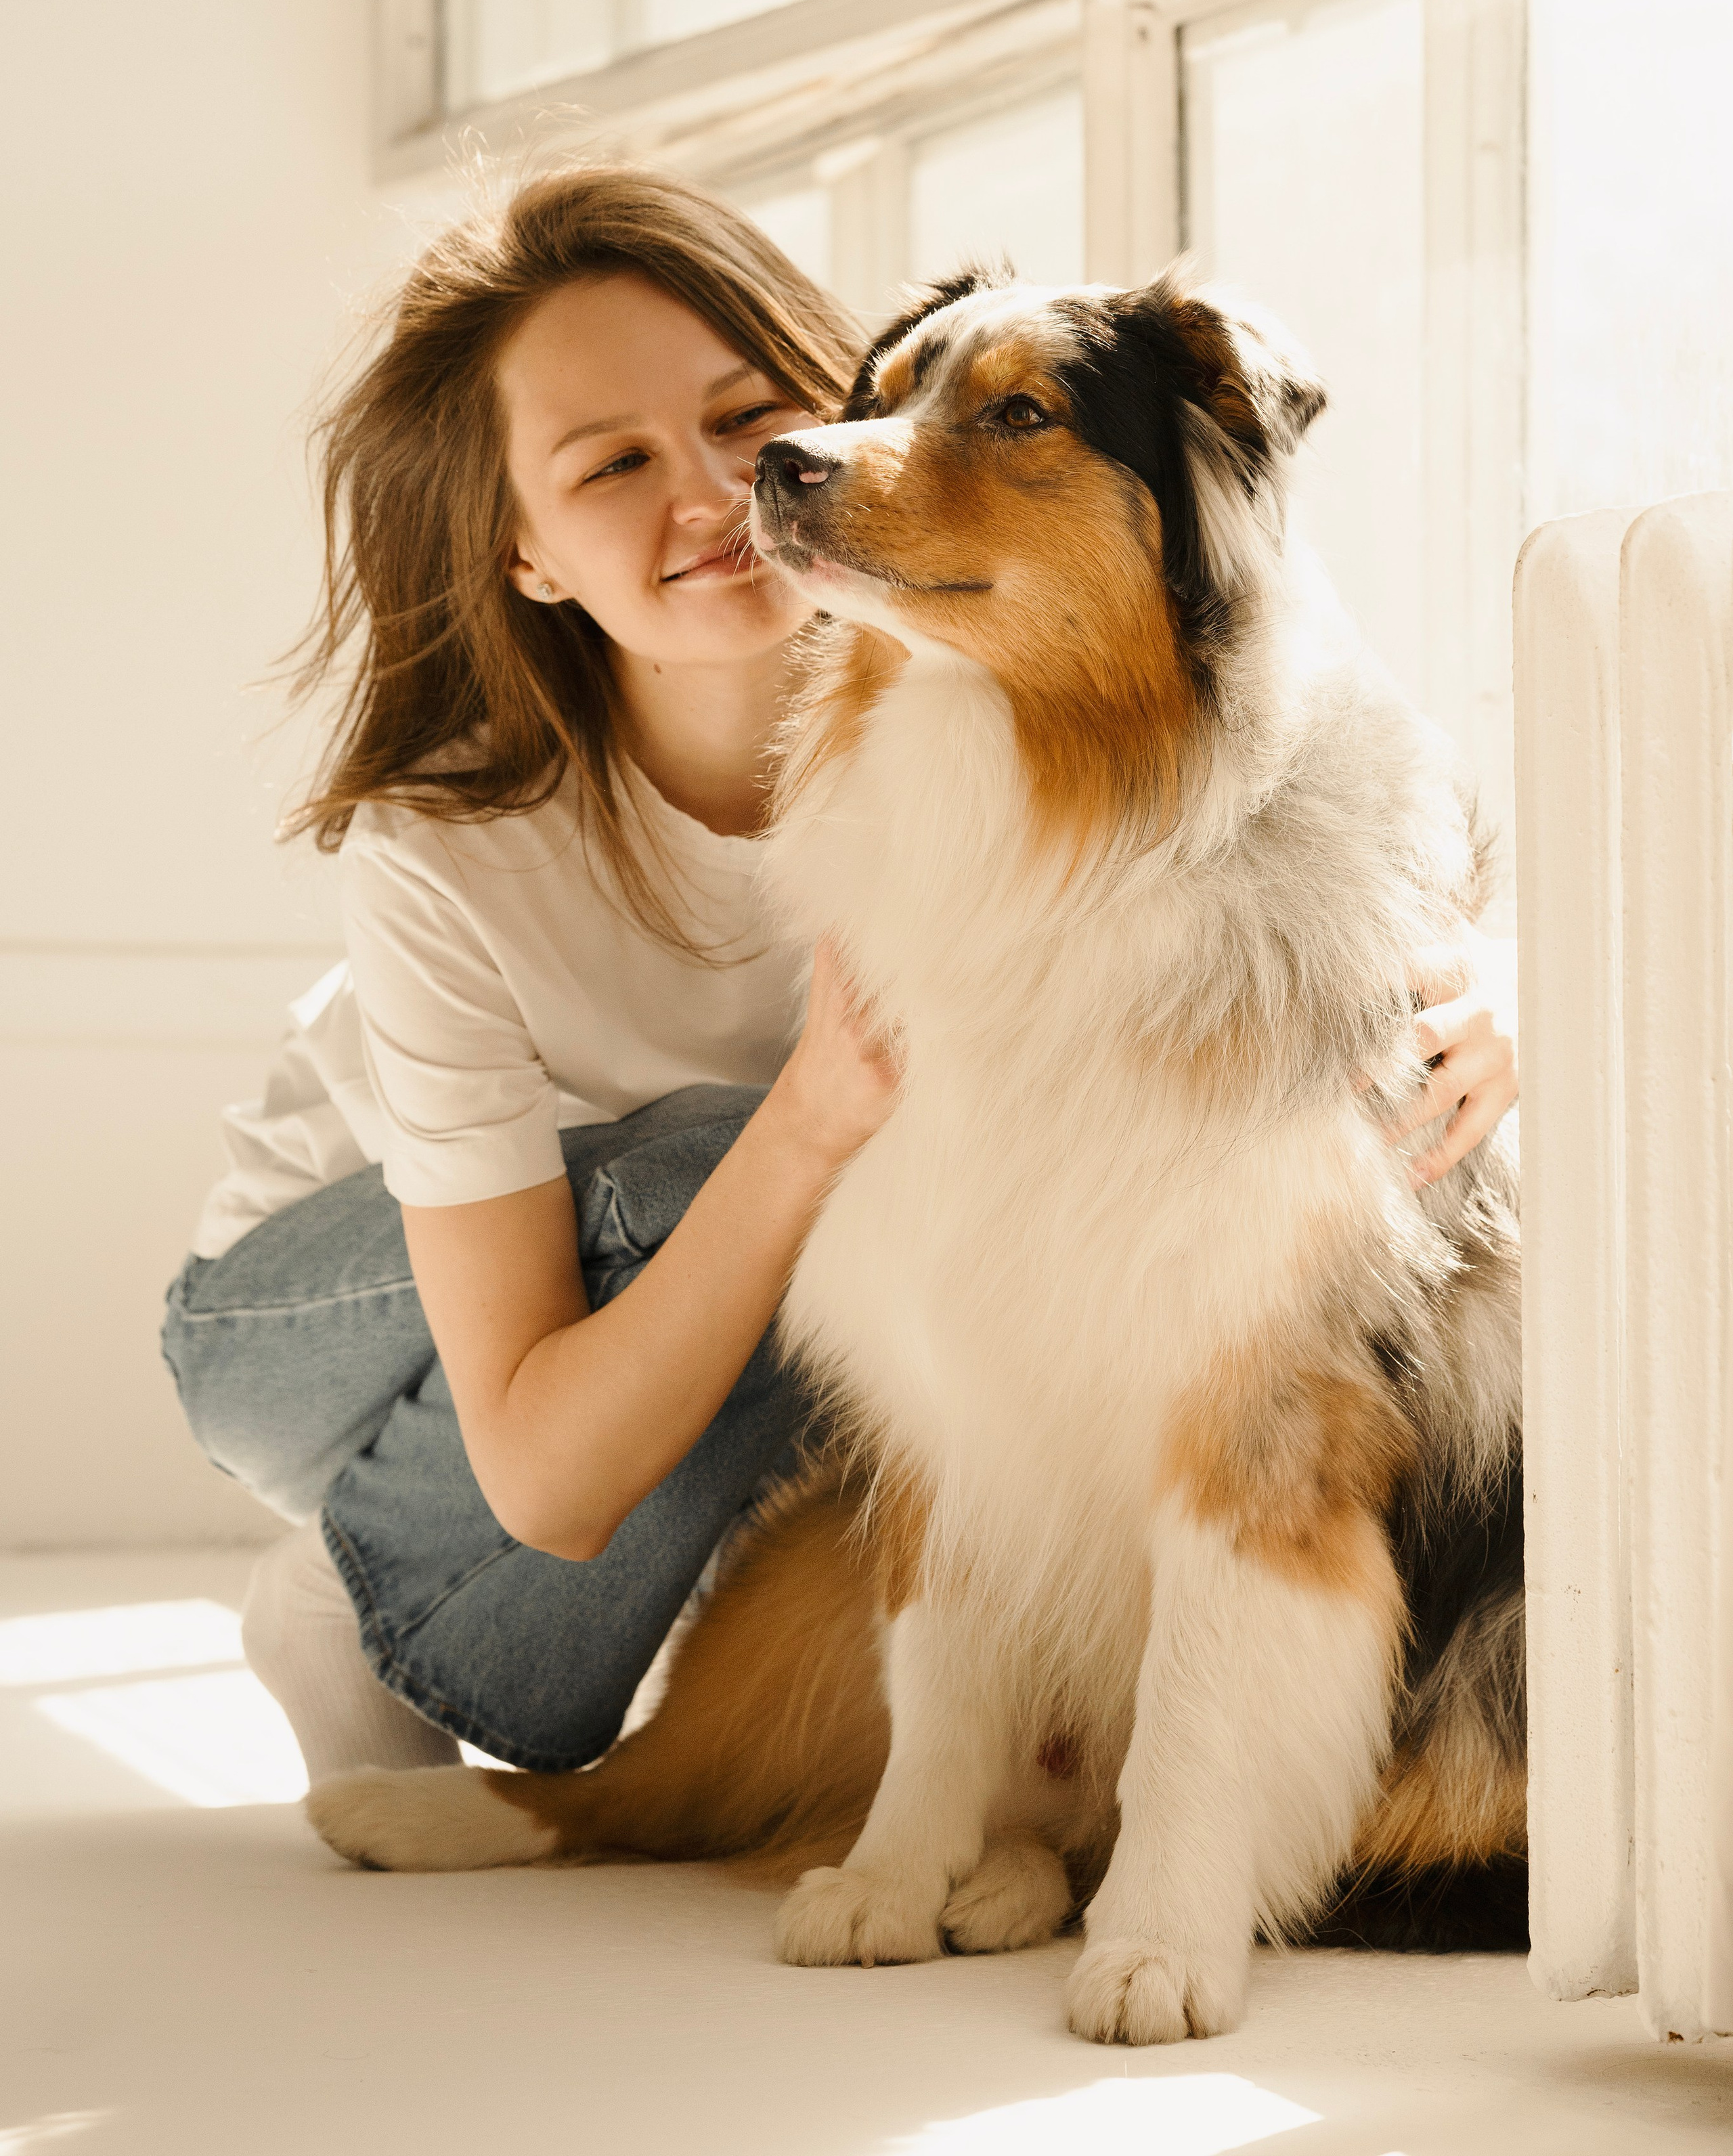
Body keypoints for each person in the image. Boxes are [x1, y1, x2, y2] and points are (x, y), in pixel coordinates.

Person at [161, 164, 1518, 1787]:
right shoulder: (450, 847)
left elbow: (1345, 788)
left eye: (744, 416)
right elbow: (547, 1475)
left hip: (664, 1285)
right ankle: (345, 1589)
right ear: (522, 553)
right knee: (774, 1168)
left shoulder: (955, 591)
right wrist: (810, 1120)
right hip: (319, 1309)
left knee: (930, 1237)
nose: (719, 492)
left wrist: (1503, 984)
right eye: (610, 466)